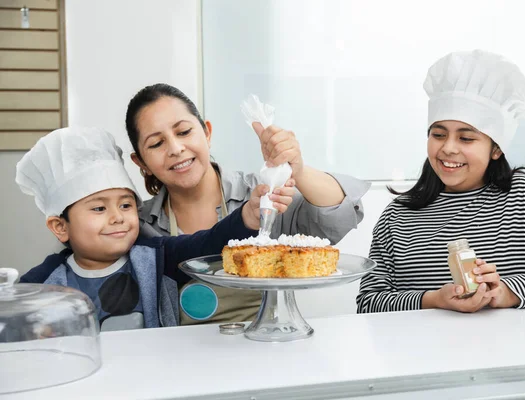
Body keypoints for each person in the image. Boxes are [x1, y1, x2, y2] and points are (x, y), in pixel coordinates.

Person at [357, 50, 525, 313]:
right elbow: (369, 303)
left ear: (496, 149)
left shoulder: (522, 196)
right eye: (438, 134)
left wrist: (506, 292)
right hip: (421, 352)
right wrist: (433, 300)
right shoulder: (398, 216)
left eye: (466, 138)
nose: (448, 148)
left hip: (509, 352)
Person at [125, 83, 371, 324]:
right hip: (179, 359)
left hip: (266, 354)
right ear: (141, 163)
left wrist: (298, 169)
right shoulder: (137, 224)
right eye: (157, 144)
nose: (176, 148)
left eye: (184, 132)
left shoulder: (262, 194)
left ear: (207, 132)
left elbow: (339, 214)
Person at [16, 127, 292, 330]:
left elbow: (208, 243)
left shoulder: (157, 256)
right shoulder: (43, 282)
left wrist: (247, 215)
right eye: (99, 208)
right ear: (60, 227)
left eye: (125, 206)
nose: (117, 217)